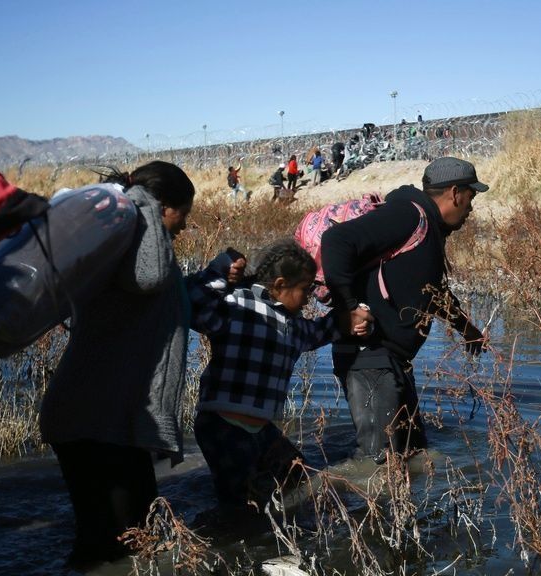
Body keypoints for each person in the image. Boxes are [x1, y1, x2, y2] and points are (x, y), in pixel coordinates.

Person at [38, 160, 246, 570]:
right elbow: (151, 279)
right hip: (91, 421)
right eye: (182, 215)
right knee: (105, 544)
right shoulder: (130, 241)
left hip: (112, 421)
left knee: (137, 534)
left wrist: (216, 273)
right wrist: (144, 204)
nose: (184, 227)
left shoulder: (130, 249)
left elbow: (167, 298)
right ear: (163, 206)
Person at [320, 156, 488, 463]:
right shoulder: (407, 214)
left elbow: (431, 291)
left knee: (413, 454)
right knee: (379, 469)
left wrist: (467, 329)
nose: (471, 208)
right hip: (368, 358)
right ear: (455, 193)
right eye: (470, 198)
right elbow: (335, 240)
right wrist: (348, 308)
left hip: (392, 360)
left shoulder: (429, 228)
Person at [187, 239, 372, 515]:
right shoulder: (238, 304)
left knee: (298, 477)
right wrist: (219, 271)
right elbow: (192, 301)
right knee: (240, 506)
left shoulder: (293, 324)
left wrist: (348, 320)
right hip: (223, 426)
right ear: (281, 284)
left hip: (259, 429)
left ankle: (282, 528)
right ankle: (225, 542)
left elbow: (318, 332)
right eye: (305, 289)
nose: (309, 296)